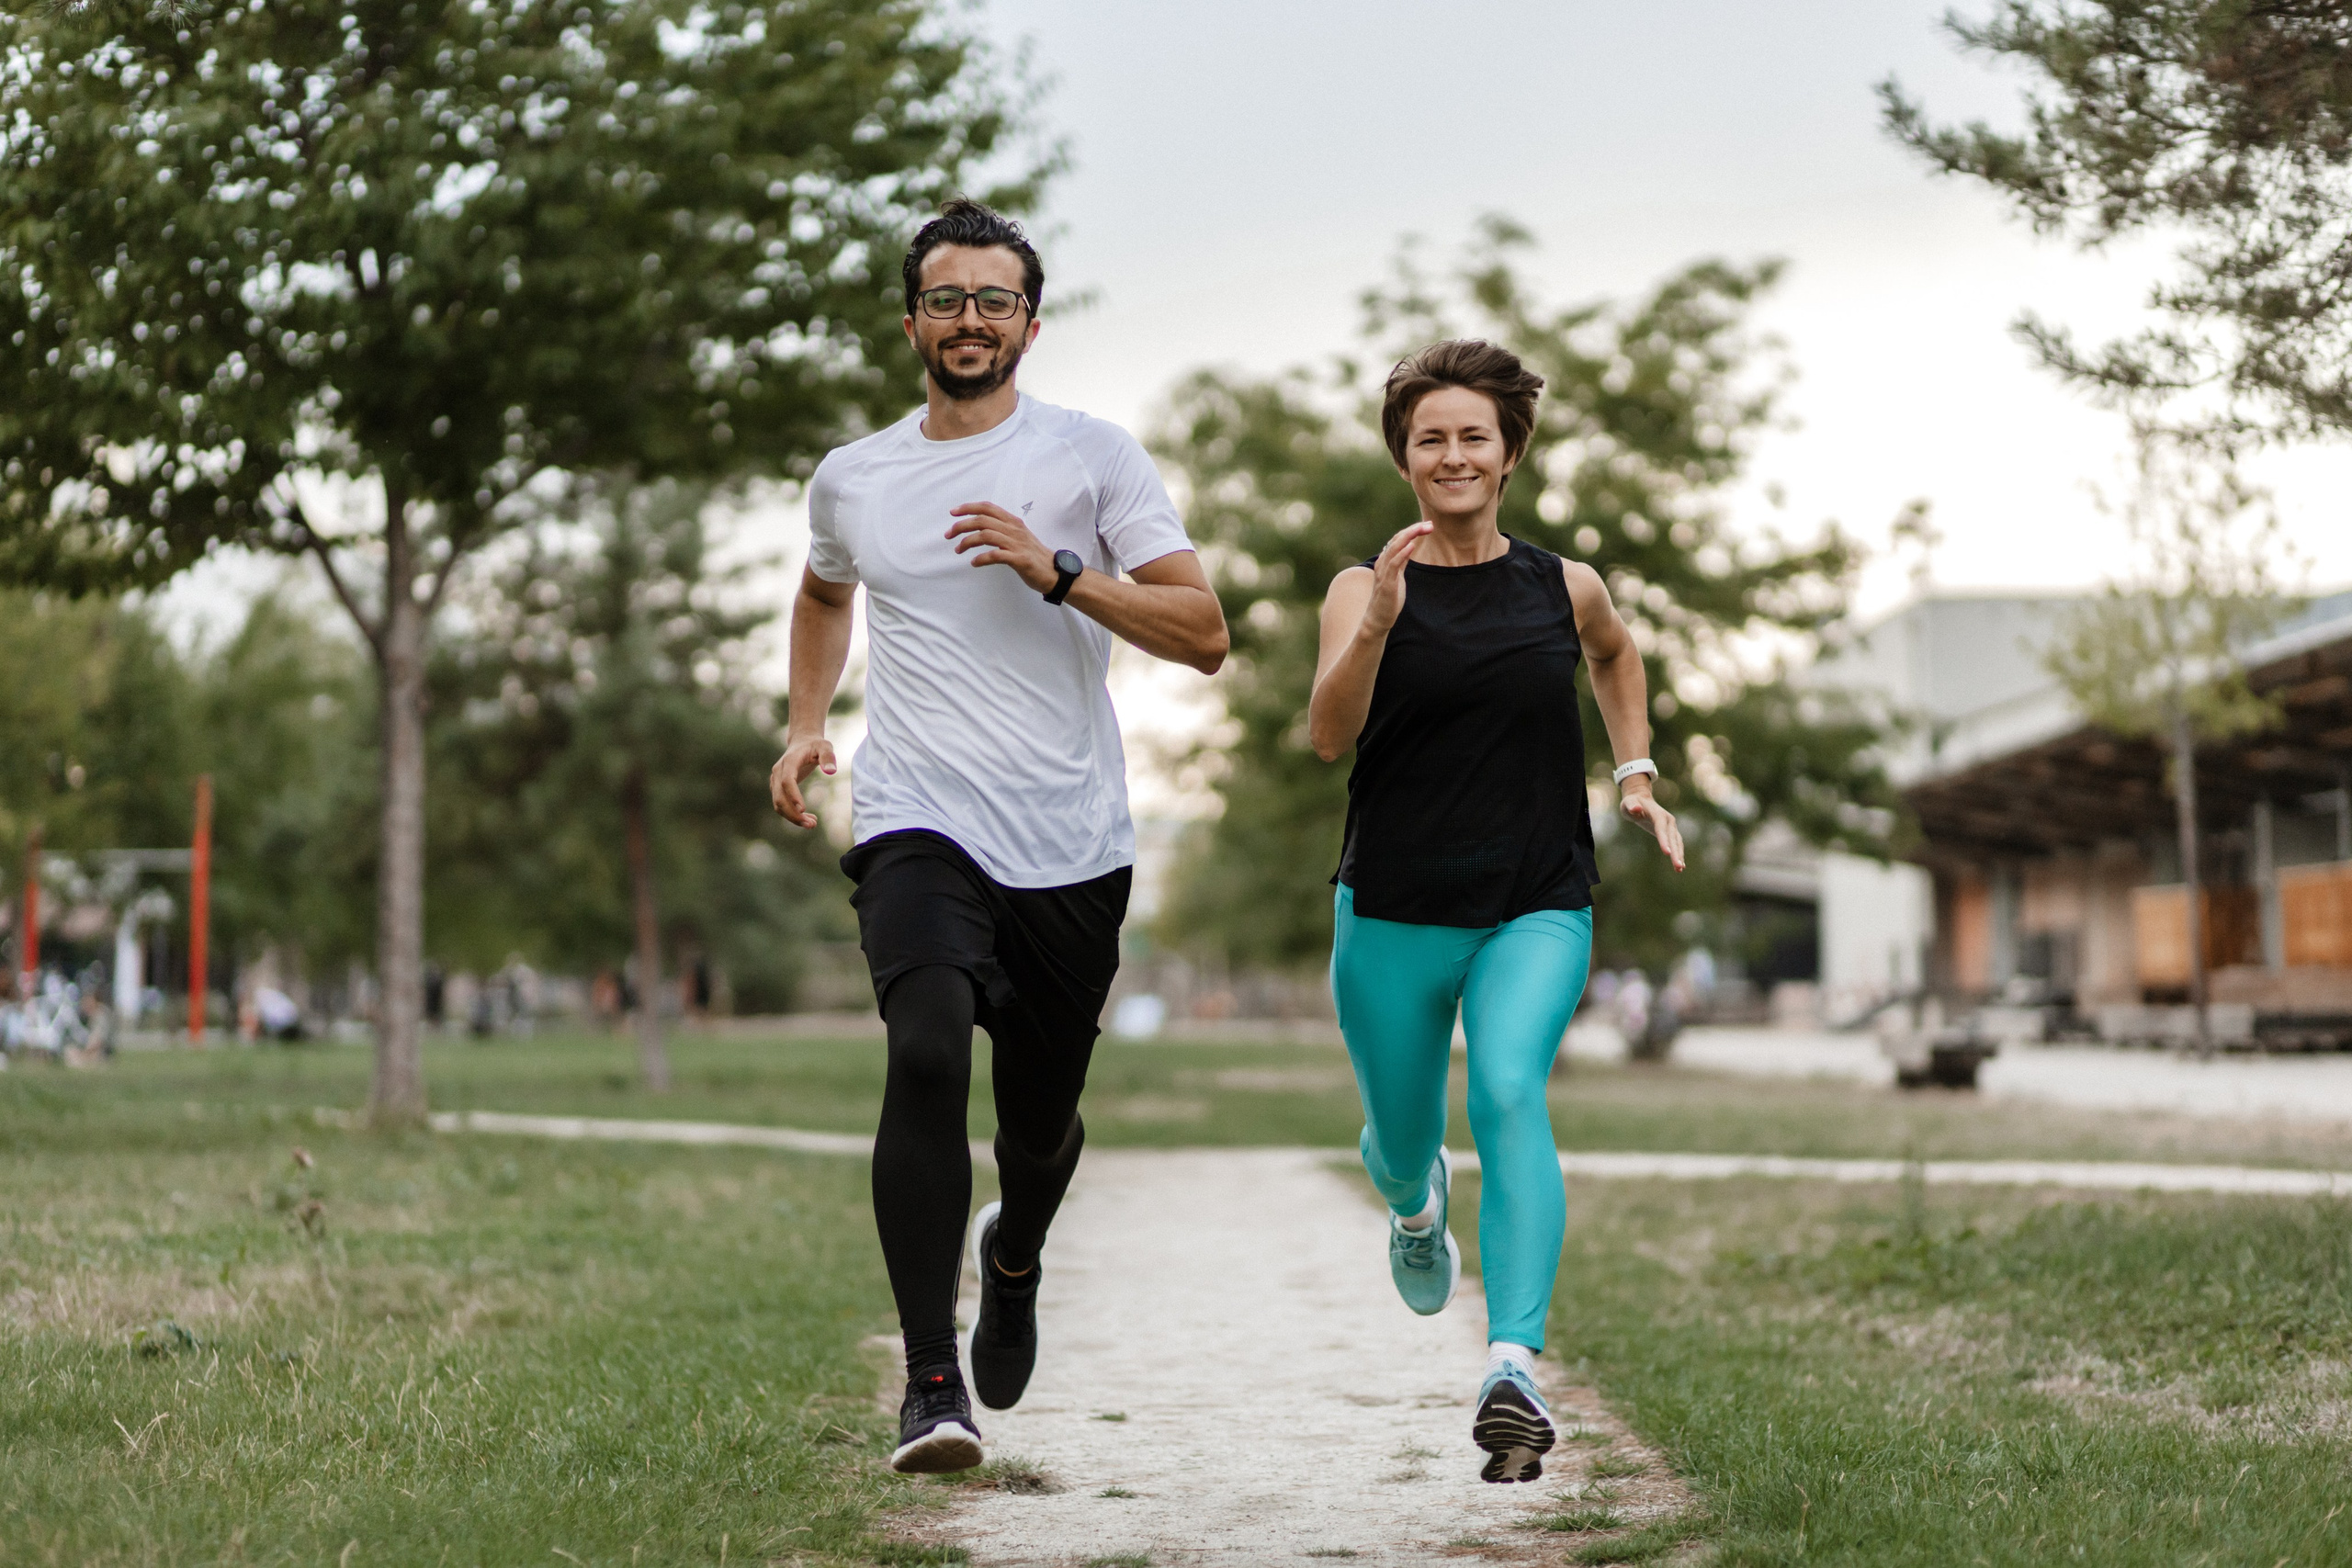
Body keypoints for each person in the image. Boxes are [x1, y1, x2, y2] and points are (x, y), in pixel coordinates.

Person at [769, 198, 1227, 1475]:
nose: (970, 319)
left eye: (995, 299)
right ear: (912, 315)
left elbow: (1206, 632)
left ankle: (1013, 1245)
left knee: (1038, 1122)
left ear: (1029, 318)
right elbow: (821, 588)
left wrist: (1063, 573)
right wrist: (809, 720)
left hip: (1071, 839)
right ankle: (930, 1381)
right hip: (918, 810)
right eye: (947, 297)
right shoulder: (853, 473)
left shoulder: (1092, 457)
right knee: (922, 1046)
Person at [1306, 339, 1684, 1484]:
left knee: (1511, 1086)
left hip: (1535, 898)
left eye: (1474, 435)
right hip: (1393, 909)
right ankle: (1416, 1206)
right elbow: (1329, 736)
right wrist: (1377, 618)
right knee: (1401, 1144)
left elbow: (1617, 658)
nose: (1453, 454)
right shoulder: (1356, 588)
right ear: (1404, 460)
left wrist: (1635, 774)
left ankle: (1512, 1365)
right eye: (1431, 438)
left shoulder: (1564, 585)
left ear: (1510, 452)